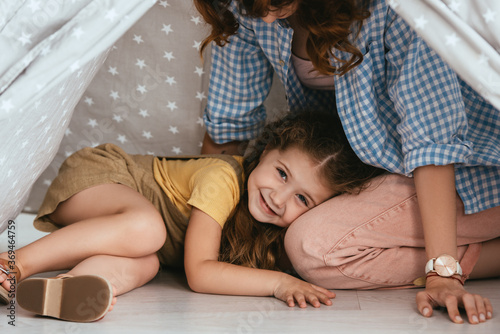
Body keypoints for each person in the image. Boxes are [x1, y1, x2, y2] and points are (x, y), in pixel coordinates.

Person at [194, 0, 500, 325]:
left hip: (470, 171)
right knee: (282, 246)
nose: (265, 18)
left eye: (275, 3)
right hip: (379, 171)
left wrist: (443, 274)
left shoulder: (395, 9)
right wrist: (201, 234)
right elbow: (230, 123)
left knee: (312, 247)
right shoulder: (248, 9)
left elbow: (433, 142)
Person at [0, 111, 383, 322]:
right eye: (281, 173)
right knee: (149, 230)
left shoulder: (265, 228)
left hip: (129, 235)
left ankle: (70, 286)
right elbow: (199, 273)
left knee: (147, 264)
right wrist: (279, 284)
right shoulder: (223, 177)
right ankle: (14, 265)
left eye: (302, 198)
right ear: (265, 150)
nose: (279, 197)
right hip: (103, 179)